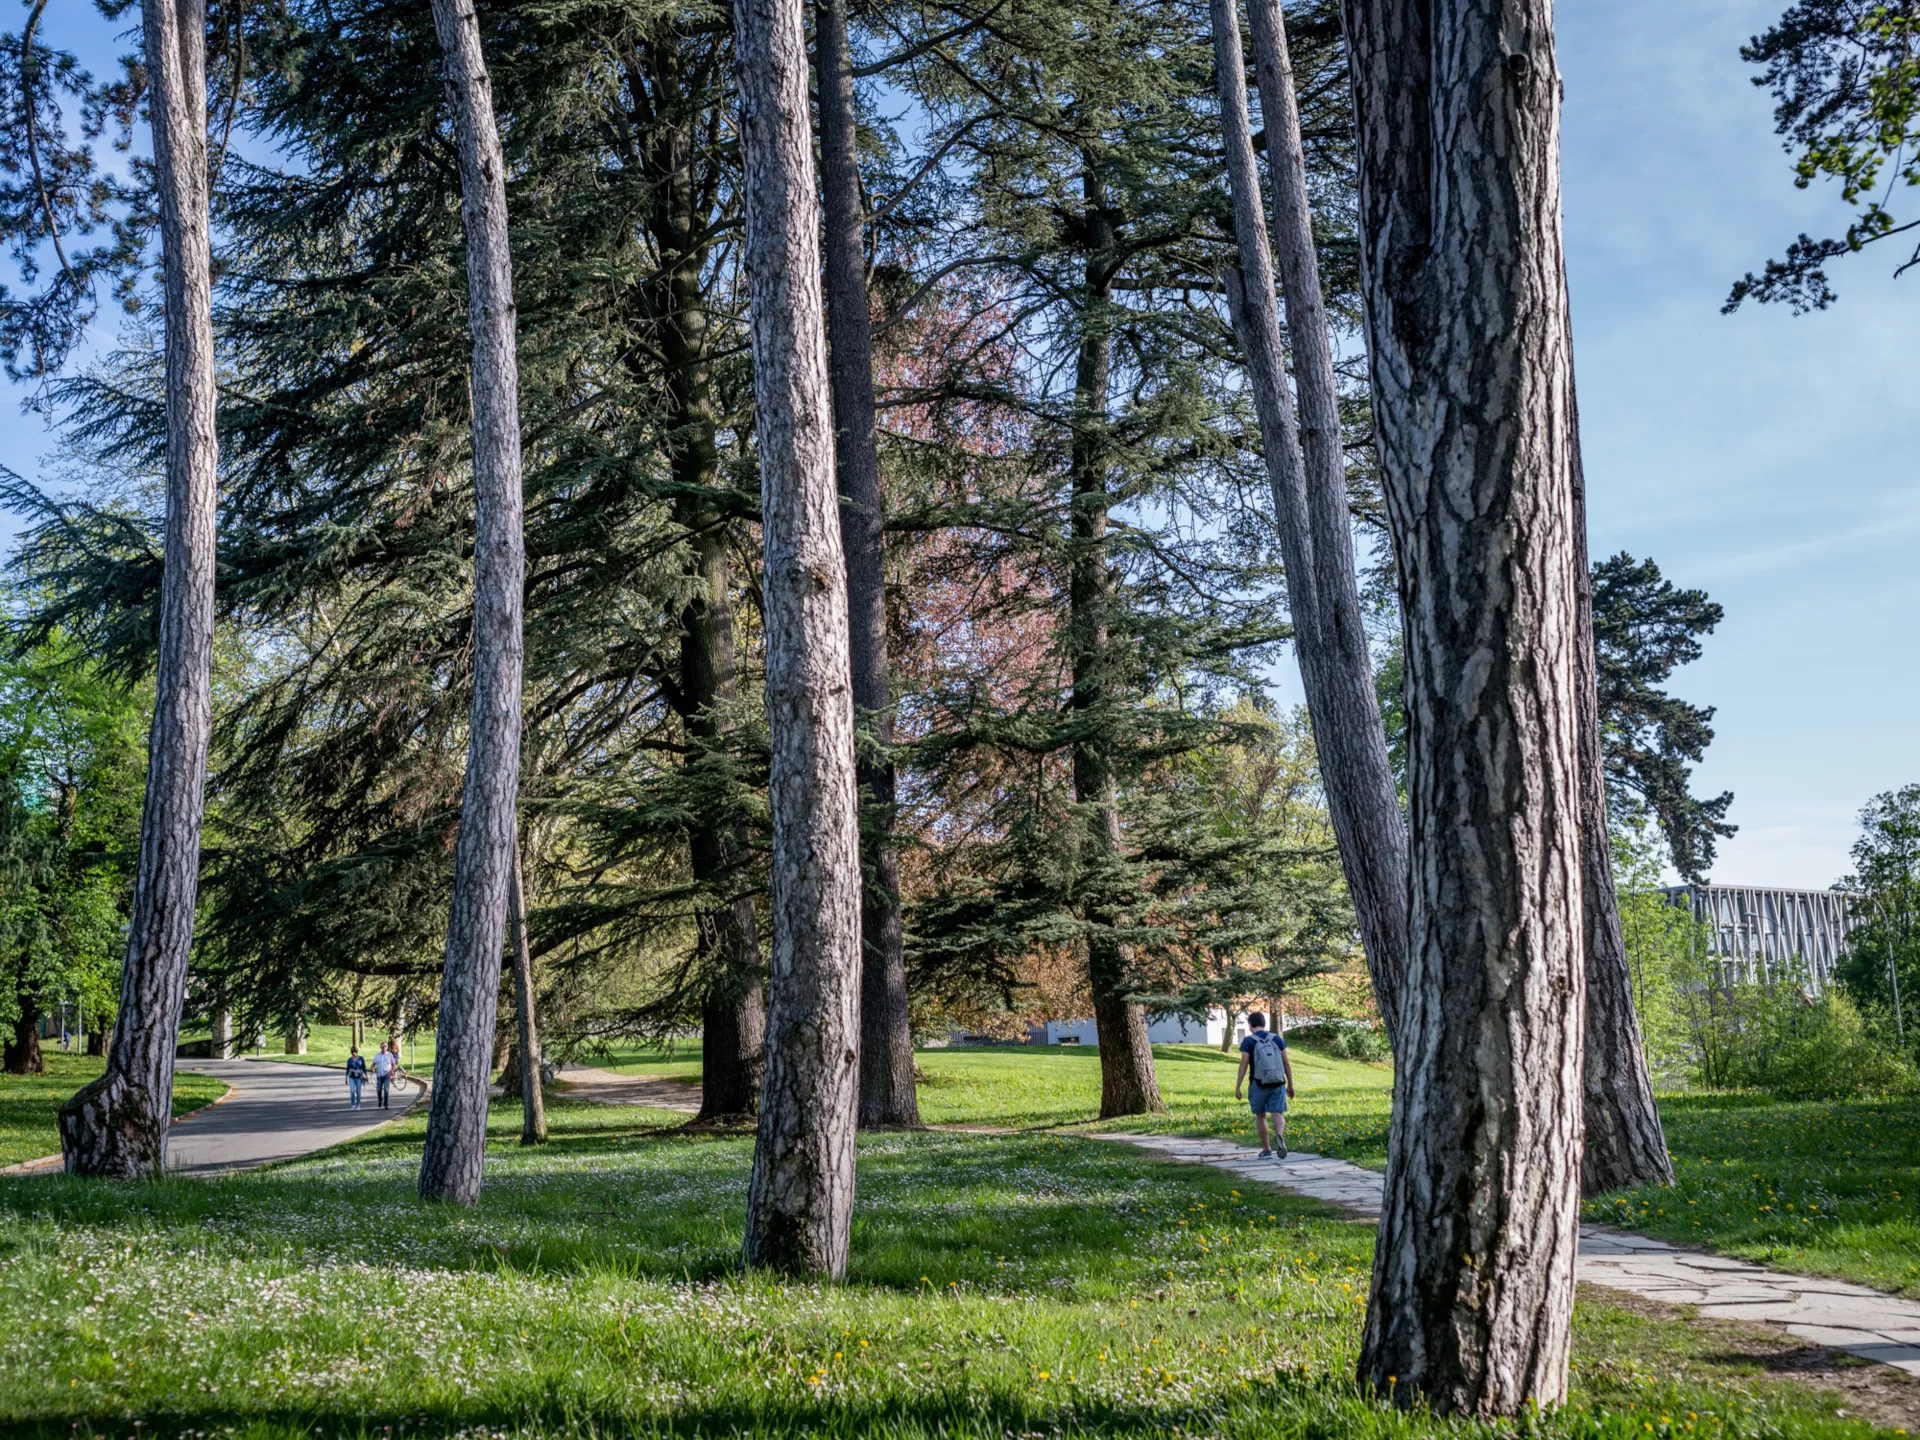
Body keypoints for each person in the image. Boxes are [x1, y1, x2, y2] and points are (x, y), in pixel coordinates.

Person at [1233, 1011, 1294, 1159]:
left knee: (1260, 1116)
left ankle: (1266, 1149)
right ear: (1264, 1023)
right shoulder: (1276, 1039)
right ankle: (1279, 1134)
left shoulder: (1248, 1041)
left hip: (1258, 1084)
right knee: (1277, 1113)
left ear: (1250, 1025)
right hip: (1278, 1082)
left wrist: (1238, 1086)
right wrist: (1290, 1085)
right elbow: (1286, 1063)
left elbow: (1244, 1064)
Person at [372, 1039, 397, 1110]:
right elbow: (373, 1064)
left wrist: (391, 1072)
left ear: (387, 1047)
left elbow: (394, 1065)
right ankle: (380, 1099)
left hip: (387, 1075)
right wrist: (373, 1068)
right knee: (378, 1090)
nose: (384, 1048)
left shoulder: (390, 1055)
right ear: (380, 1047)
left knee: (386, 1090)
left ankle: (386, 1104)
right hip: (379, 1075)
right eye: (382, 1047)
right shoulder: (377, 1055)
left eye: (385, 1046)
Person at [345, 1046, 368, 1111]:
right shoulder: (349, 1060)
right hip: (351, 1077)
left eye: (355, 1052)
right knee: (352, 1091)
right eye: (352, 1052)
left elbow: (364, 1067)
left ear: (357, 1052)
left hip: (359, 1077)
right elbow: (347, 1069)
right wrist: (346, 1078)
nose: (354, 1053)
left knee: (358, 1091)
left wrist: (366, 1076)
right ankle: (353, 1105)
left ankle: (358, 1105)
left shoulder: (361, 1059)